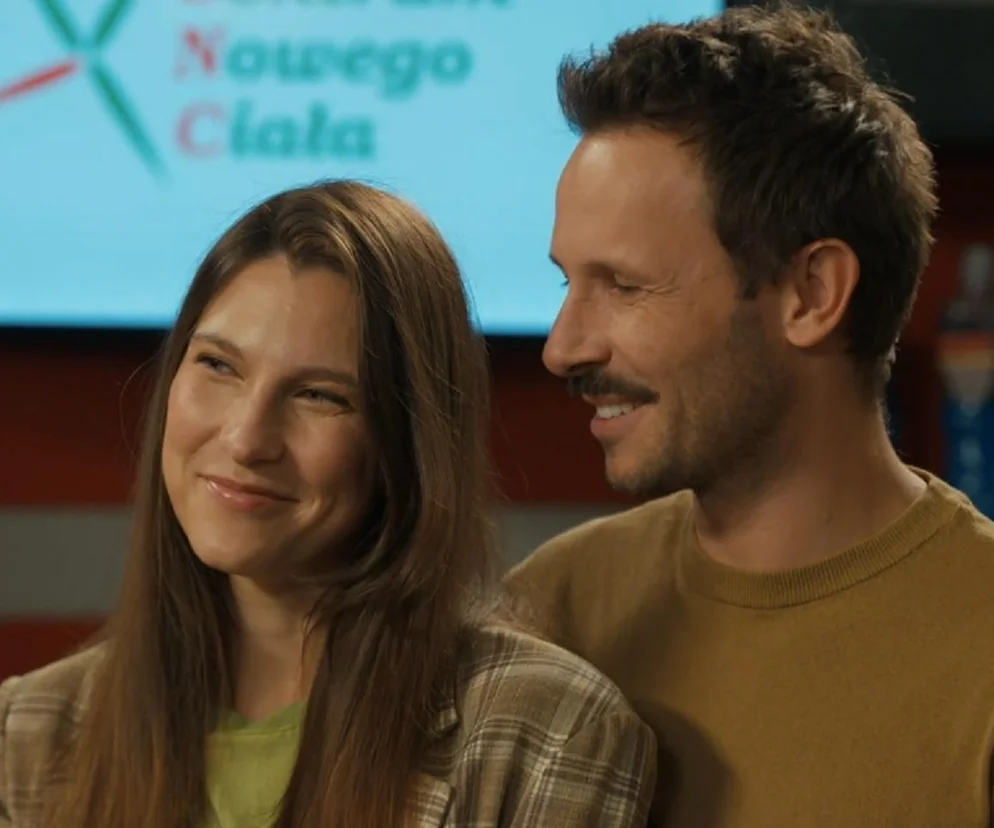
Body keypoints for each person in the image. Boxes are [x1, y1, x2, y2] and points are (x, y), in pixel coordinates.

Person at [0, 181, 656, 828]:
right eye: (218, 365)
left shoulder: (548, 734)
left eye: (319, 395)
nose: (245, 438)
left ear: (408, 442)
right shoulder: (28, 737)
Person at [504, 4, 994, 827]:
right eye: (567, 282)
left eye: (625, 285)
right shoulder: (552, 608)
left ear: (811, 294)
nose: (564, 348)